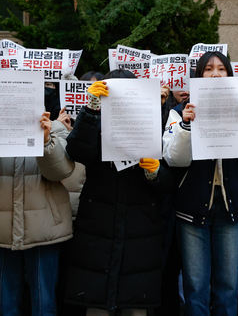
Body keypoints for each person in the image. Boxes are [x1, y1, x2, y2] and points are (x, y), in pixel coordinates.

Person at [163, 51, 238, 316]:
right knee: (195, 288)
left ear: (230, 75)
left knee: (228, 287)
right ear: (198, 76)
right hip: (192, 211)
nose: (215, 74)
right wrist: (186, 126)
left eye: (221, 69)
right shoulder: (178, 113)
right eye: (208, 69)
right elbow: (174, 159)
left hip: (231, 212)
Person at [64, 69, 173, 316]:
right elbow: (77, 152)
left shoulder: (154, 121)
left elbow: (171, 180)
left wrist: (155, 172)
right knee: (97, 307)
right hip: (98, 230)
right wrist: (91, 110)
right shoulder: (96, 122)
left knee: (135, 308)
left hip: (141, 232)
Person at [0, 113, 75, 316]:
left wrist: (45, 141)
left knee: (44, 303)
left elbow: (61, 171)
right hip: (4, 228)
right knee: (6, 303)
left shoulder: (55, 128)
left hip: (44, 229)